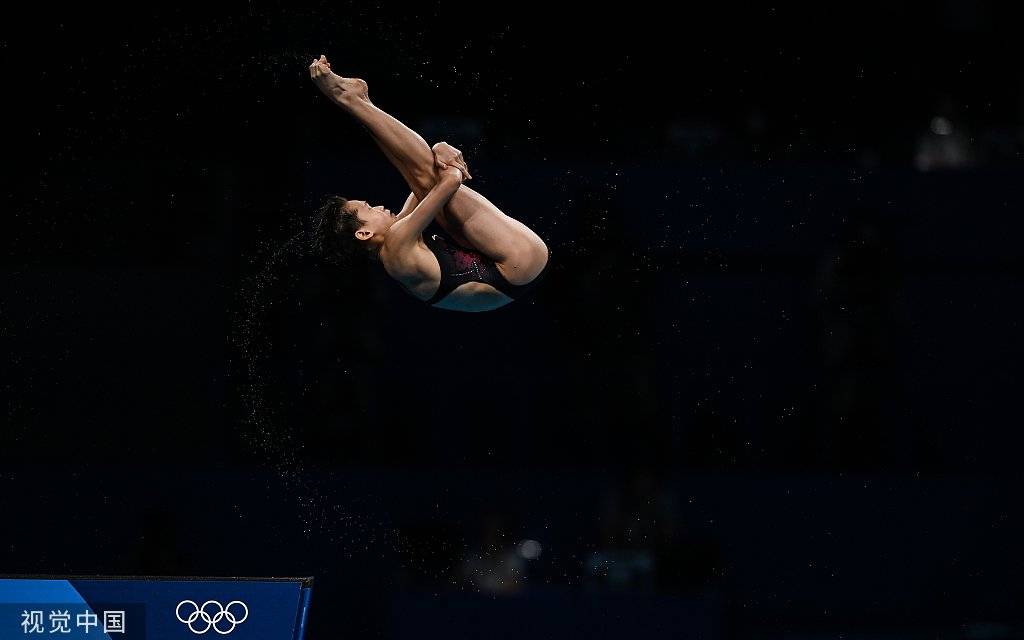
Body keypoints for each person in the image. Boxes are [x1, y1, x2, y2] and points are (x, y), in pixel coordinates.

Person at [308, 55, 550, 312]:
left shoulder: (393, 248)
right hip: (517, 263)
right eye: (369, 208)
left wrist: (437, 153)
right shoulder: (397, 247)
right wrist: (443, 153)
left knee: (420, 176)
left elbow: (418, 182)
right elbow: (449, 182)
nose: (378, 206)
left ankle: (359, 103)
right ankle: (352, 100)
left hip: (507, 273)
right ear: (364, 233)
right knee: (427, 175)